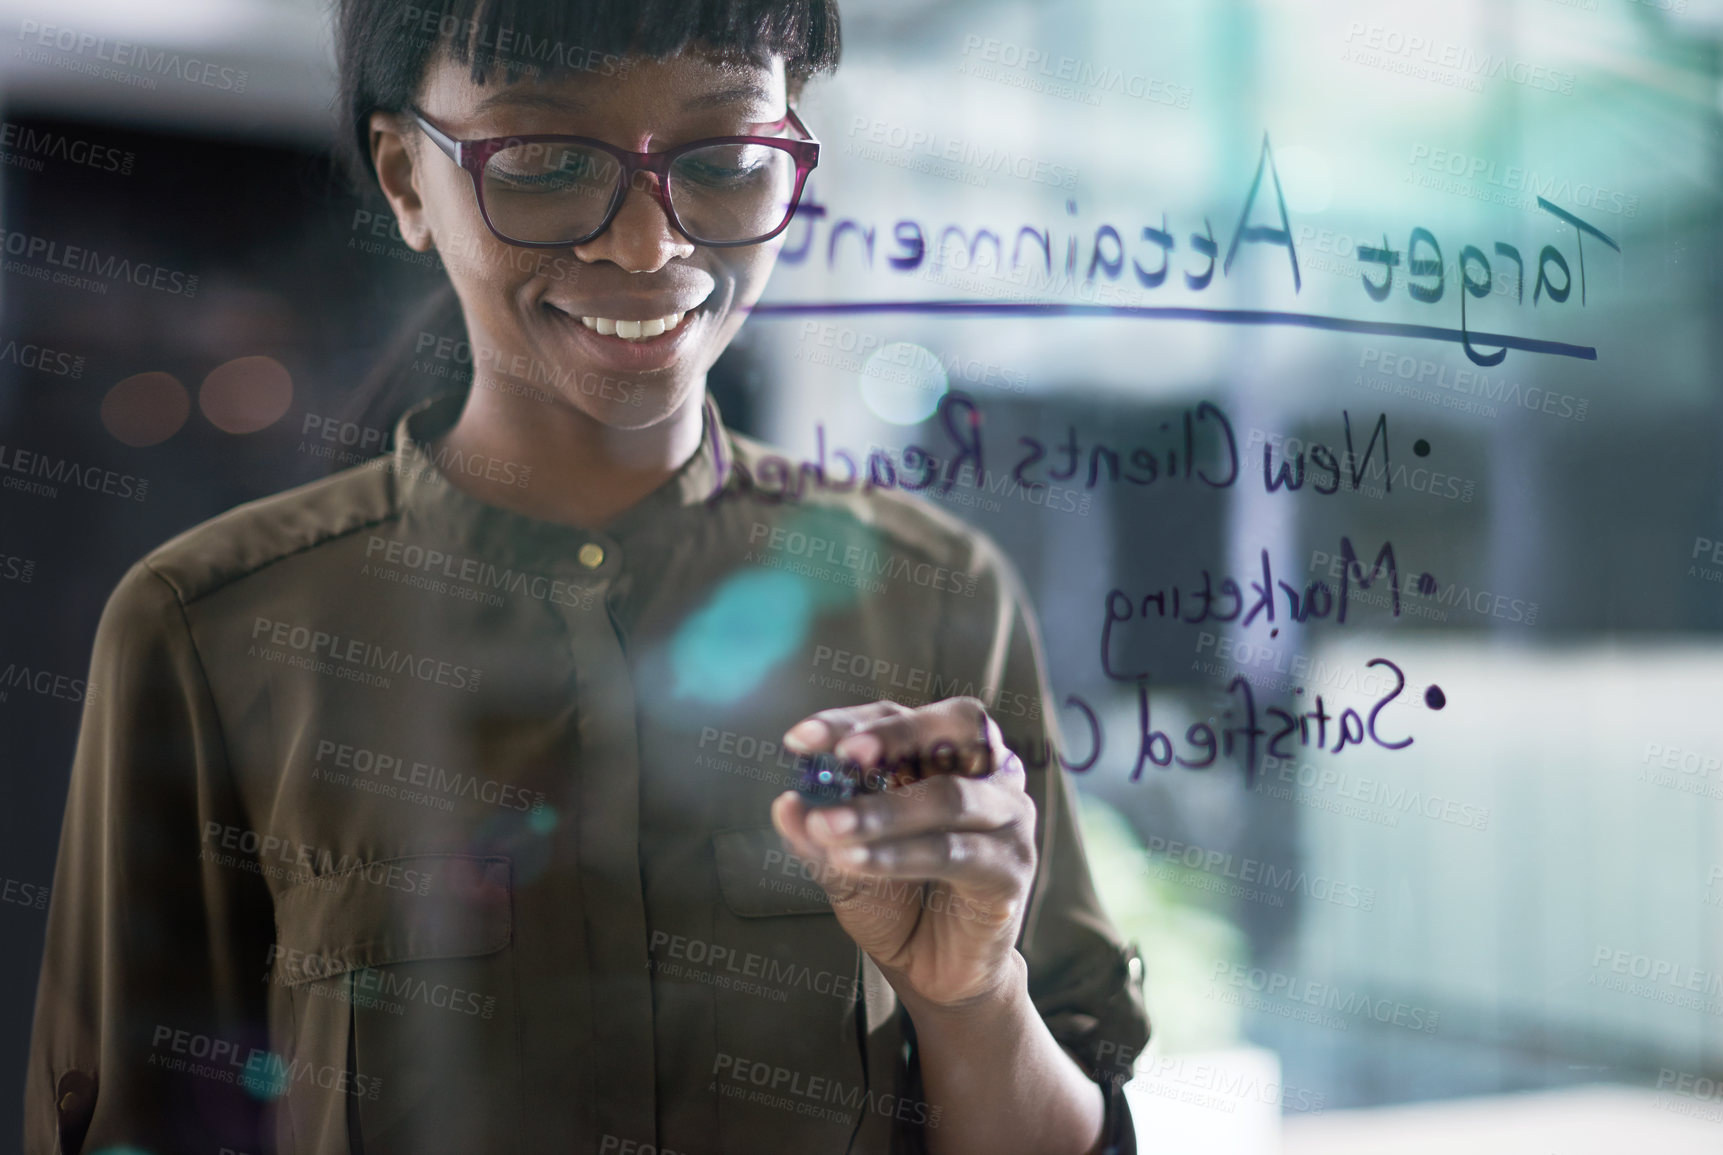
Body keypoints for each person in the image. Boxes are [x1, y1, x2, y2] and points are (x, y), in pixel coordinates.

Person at [25, 1, 1150, 1151]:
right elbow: (135, 1122)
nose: (648, 245)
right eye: (549, 163)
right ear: (408, 179)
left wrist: (972, 996)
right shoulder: (207, 628)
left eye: (720, 161)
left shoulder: (934, 596)